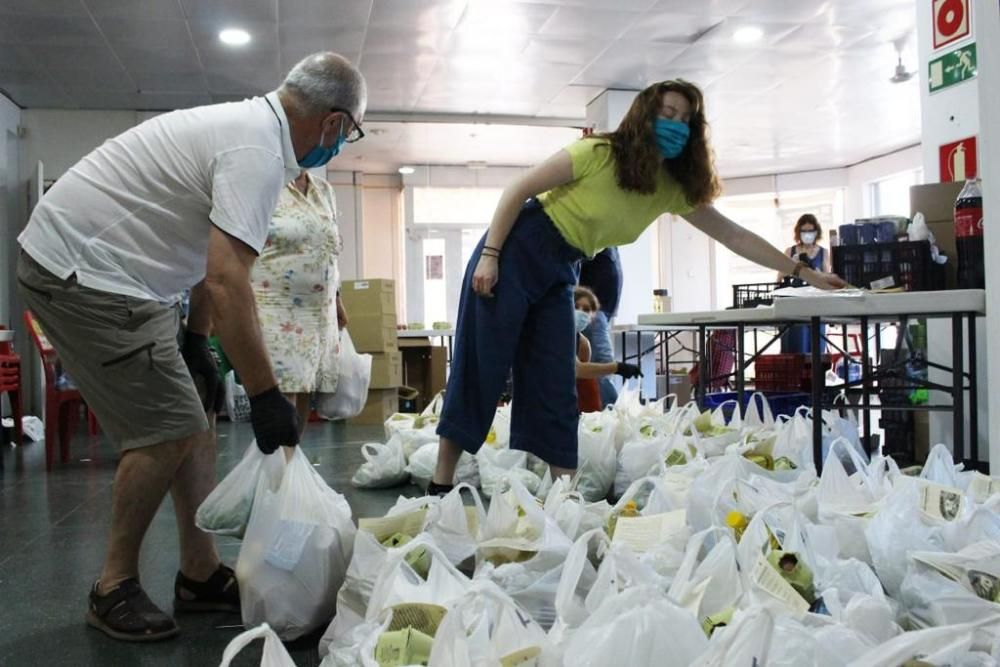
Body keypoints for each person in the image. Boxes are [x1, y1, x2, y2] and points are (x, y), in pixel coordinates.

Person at [15, 52, 366, 642]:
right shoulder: (256, 152)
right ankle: (112, 586)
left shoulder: (253, 135)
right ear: (332, 122)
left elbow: (213, 265)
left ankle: (198, 573)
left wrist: (199, 339)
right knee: (169, 426)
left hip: (125, 276)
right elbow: (230, 282)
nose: (342, 145)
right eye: (349, 133)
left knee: (193, 417)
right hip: (83, 271)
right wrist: (266, 394)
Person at [427, 79, 845, 495]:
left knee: (555, 379)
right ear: (645, 116)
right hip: (517, 248)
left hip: (561, 268)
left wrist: (805, 272)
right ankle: (441, 482)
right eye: (668, 114)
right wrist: (491, 254)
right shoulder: (598, 153)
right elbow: (517, 190)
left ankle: (564, 500)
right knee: (482, 364)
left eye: (686, 119)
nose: (677, 125)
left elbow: (733, 236)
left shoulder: (671, 189)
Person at [252, 169, 349, 434]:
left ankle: (290, 464)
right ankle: (276, 469)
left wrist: (337, 298)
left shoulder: (324, 190)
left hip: (319, 313)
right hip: (275, 309)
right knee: (284, 394)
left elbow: (331, 250)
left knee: (306, 389)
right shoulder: (261, 181)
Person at [573, 285, 639, 412]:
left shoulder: (583, 343)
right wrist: (617, 367)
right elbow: (576, 369)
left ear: (592, 317)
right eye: (576, 307)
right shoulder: (557, 334)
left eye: (586, 310)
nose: (580, 312)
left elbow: (583, 379)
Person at [778, 214, 832, 353]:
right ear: (799, 233)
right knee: (795, 349)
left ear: (816, 232)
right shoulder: (790, 252)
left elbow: (829, 279)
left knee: (815, 349)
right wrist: (793, 267)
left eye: (811, 231)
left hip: (816, 307)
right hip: (793, 308)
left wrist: (819, 274)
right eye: (804, 231)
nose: (808, 235)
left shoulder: (824, 253)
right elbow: (779, 279)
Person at [578, 247, 624, 407]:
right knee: (602, 363)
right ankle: (610, 413)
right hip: (591, 310)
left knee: (601, 363)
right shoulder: (593, 239)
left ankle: (607, 415)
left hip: (601, 311)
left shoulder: (610, 242)